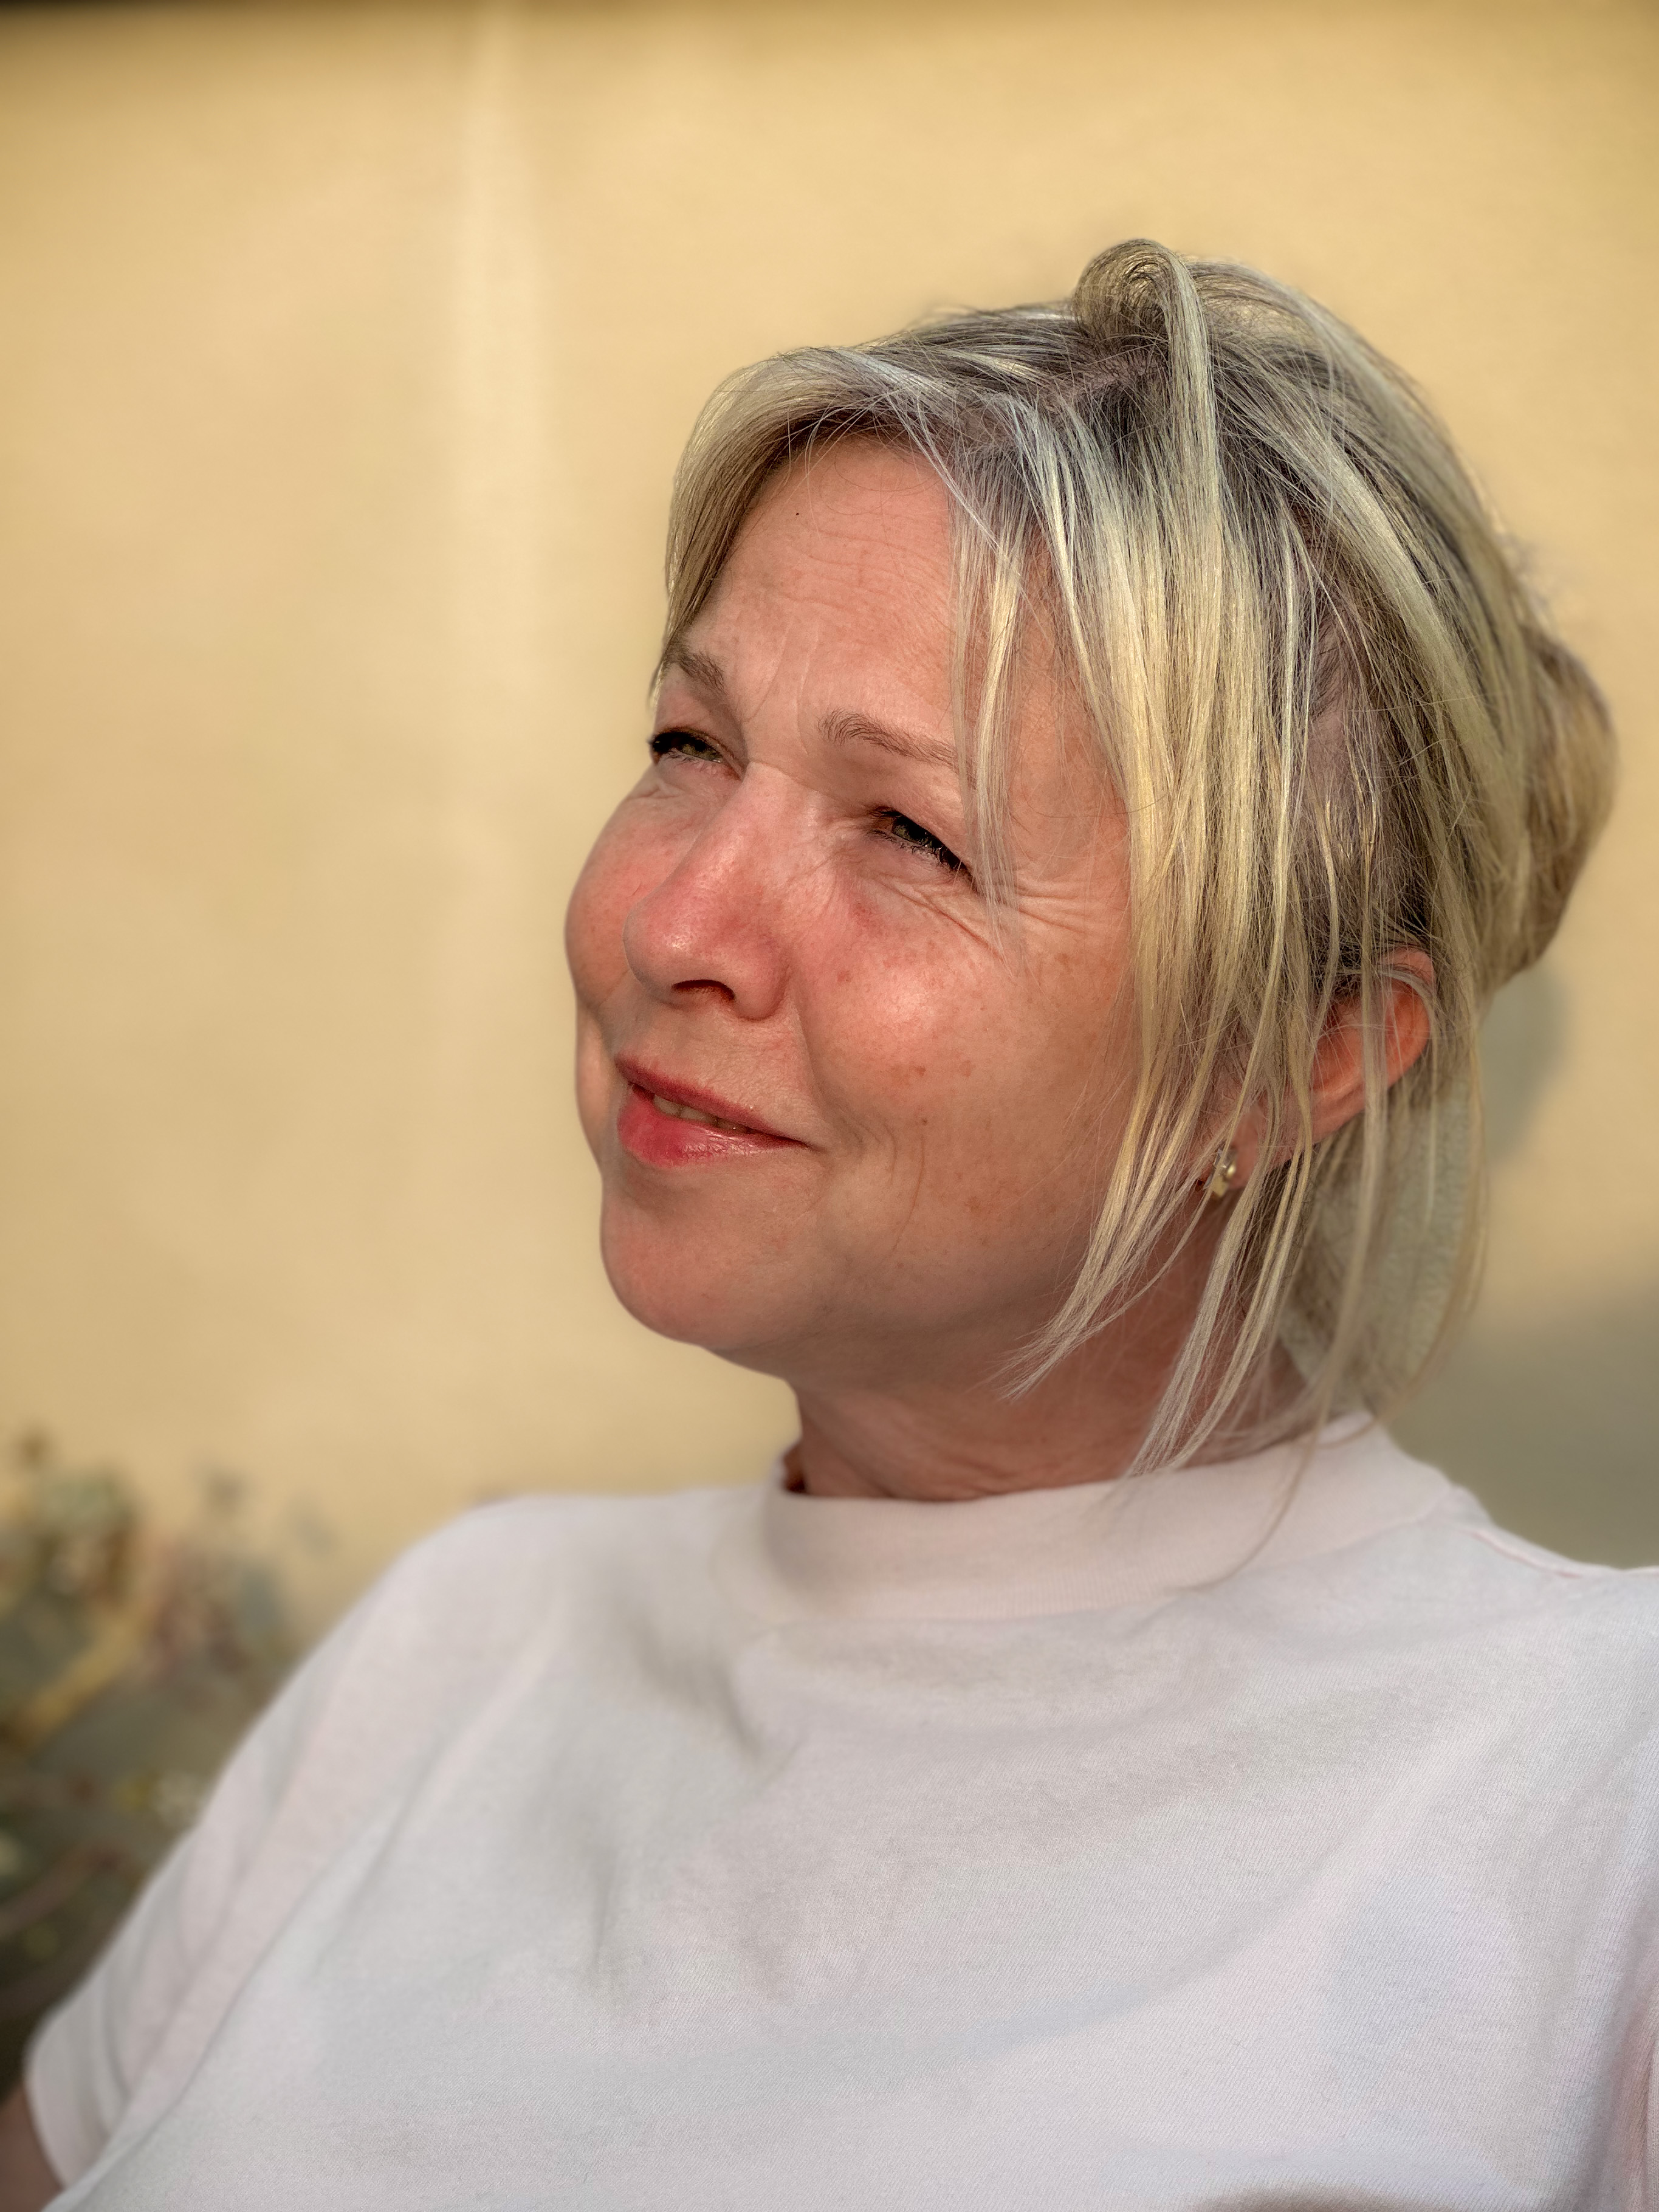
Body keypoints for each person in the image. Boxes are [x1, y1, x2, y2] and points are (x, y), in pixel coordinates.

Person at [0, 239, 1634, 2208]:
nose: (674, 925)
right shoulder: (468, 1641)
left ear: (1298, 1058)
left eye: (911, 833)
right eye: (688, 748)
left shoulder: (1584, 1798)